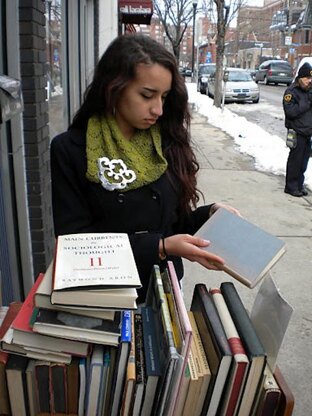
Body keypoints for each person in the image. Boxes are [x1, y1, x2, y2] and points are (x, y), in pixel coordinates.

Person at [50, 33, 239, 301]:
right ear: (113, 87)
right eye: (147, 95)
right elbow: (75, 245)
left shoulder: (167, 141)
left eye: (164, 96)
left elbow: (173, 224)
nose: (159, 109)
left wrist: (209, 216)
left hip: (167, 290)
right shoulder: (71, 150)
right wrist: (159, 247)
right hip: (108, 299)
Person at [283, 62, 312, 197]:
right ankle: (291, 186)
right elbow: (290, 112)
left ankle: (299, 185)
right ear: (300, 78)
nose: (309, 81)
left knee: (303, 162)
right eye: (307, 78)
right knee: (295, 161)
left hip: (307, 132)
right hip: (296, 132)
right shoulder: (291, 92)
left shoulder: (309, 91)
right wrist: (306, 104)